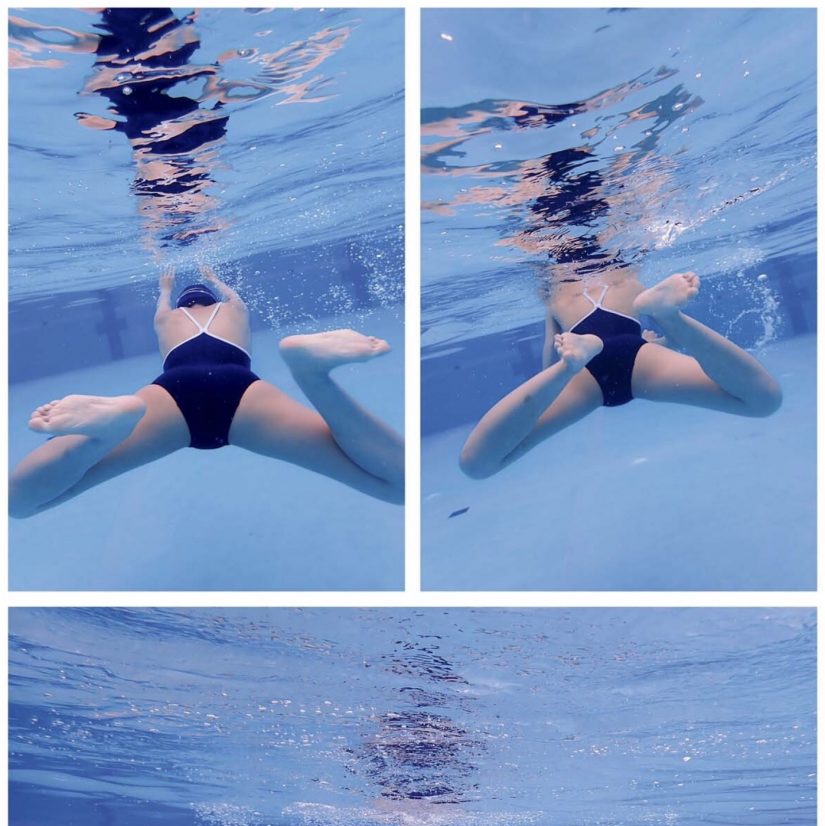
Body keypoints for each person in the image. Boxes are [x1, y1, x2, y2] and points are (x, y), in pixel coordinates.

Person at [9, 266, 403, 517]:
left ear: (182, 303)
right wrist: (211, 273)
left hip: (168, 398)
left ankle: (107, 433)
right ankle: (312, 374)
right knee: (398, 486)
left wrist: (165, 284)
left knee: (20, 503)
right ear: (212, 298)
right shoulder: (234, 310)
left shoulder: (166, 318)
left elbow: (162, 298)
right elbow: (232, 293)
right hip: (244, 393)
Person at [459, 268, 782, 479]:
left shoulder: (553, 293)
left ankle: (571, 363)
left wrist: (562, 370)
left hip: (583, 373)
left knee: (477, 464)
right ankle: (670, 316)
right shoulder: (625, 273)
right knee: (763, 400)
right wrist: (659, 341)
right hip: (639, 357)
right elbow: (665, 340)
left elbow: (550, 347)